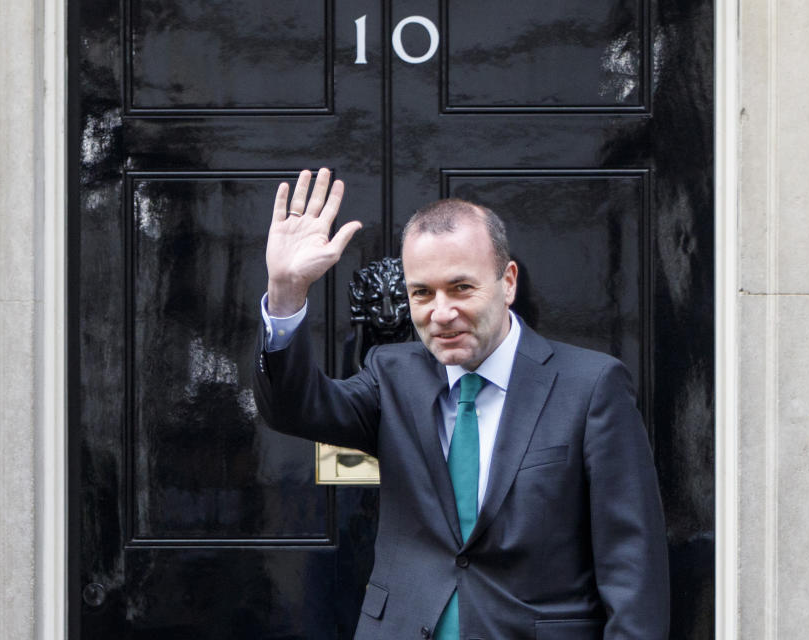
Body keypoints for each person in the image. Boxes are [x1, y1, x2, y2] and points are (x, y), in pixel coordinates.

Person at [253, 168, 669, 640]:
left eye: (461, 288)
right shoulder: (392, 374)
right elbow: (294, 407)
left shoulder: (591, 386)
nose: (441, 313)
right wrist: (286, 293)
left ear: (507, 282)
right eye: (422, 293)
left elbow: (632, 566)